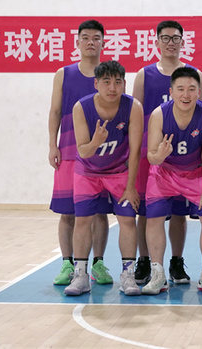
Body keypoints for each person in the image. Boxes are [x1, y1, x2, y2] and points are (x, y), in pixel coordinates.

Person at [132, 20, 202, 286]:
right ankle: (145, 261)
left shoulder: (193, 74)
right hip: (151, 155)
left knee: (179, 213)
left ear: (183, 42)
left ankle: (176, 261)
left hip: (186, 157)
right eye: (166, 38)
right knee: (146, 212)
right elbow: (135, 115)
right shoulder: (144, 74)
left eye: (175, 38)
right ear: (157, 42)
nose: (171, 43)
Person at [140, 67, 202, 295]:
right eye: (180, 89)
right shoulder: (158, 114)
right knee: (153, 218)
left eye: (191, 89)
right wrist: (160, 155)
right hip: (164, 173)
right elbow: (152, 157)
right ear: (171, 92)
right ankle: (158, 275)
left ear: (199, 92)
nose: (186, 95)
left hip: (196, 173)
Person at [64, 61, 144, 296]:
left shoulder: (133, 107)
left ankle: (128, 275)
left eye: (118, 82)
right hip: (88, 172)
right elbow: (83, 151)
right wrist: (96, 142)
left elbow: (136, 151)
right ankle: (80, 275)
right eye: (106, 82)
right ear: (96, 84)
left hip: (119, 172)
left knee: (127, 220)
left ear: (124, 84)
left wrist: (131, 187)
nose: (112, 87)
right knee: (82, 220)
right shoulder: (81, 107)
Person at [48, 19, 112, 287]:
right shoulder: (63, 74)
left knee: (99, 213)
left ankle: (98, 264)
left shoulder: (110, 75)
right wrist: (52, 144)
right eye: (85, 37)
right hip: (69, 152)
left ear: (103, 43)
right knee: (68, 212)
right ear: (77, 42)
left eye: (96, 38)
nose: (90, 42)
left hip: (102, 157)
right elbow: (55, 111)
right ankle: (67, 263)